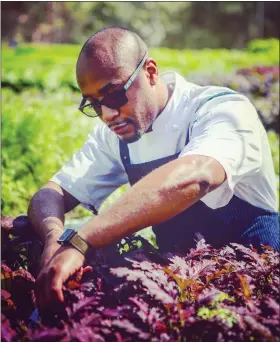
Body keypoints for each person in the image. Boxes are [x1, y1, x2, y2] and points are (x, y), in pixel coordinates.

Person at [28, 26, 279, 311]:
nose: (107, 115)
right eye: (94, 104)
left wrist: (81, 241)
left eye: (114, 95)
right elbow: (52, 192)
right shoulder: (115, 135)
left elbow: (196, 175)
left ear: (150, 72)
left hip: (257, 290)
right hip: (182, 292)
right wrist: (54, 237)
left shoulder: (223, 110)